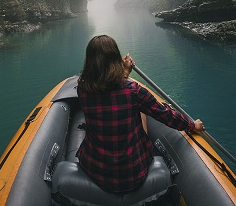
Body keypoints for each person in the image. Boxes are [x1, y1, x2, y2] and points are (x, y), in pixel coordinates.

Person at [76, 35, 204, 193]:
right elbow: (165, 115)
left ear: (89, 62)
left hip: (95, 169)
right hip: (134, 171)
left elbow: (106, 92)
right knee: (142, 111)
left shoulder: (83, 90)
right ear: (116, 59)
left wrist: (123, 74)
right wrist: (192, 125)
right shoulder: (134, 91)